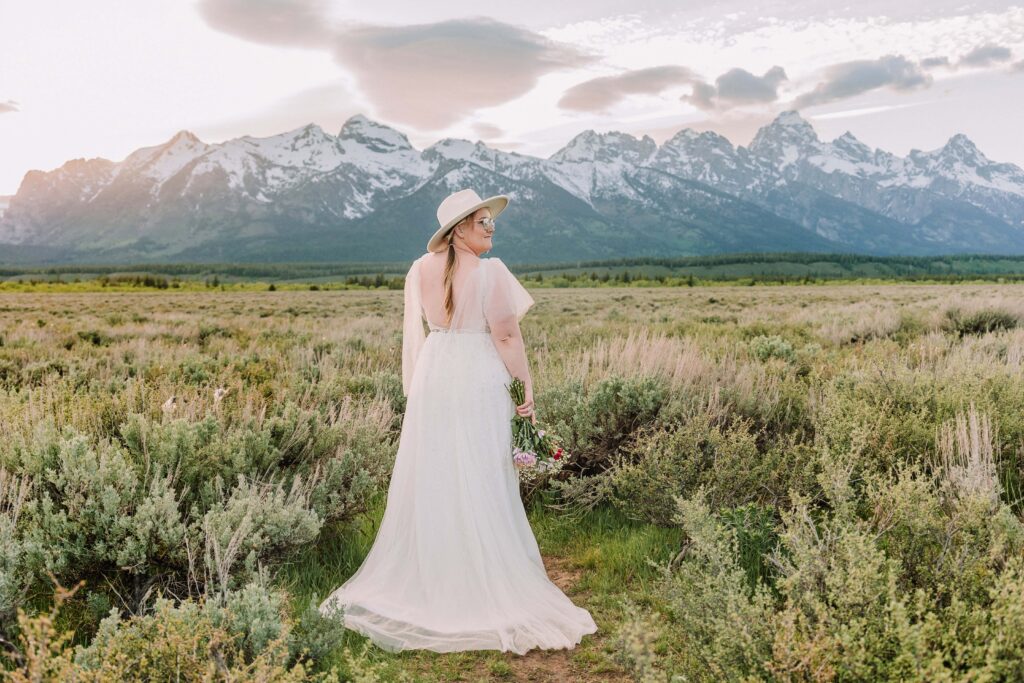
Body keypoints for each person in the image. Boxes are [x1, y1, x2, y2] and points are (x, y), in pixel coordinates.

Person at [318, 188, 598, 655]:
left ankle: (438, 575)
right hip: (477, 376)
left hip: (436, 373)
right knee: (482, 471)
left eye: (491, 221)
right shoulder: (491, 273)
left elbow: (421, 330)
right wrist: (526, 388)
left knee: (438, 473)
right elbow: (507, 335)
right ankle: (480, 578)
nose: (492, 227)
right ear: (459, 229)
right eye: (483, 221)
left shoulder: (418, 269)